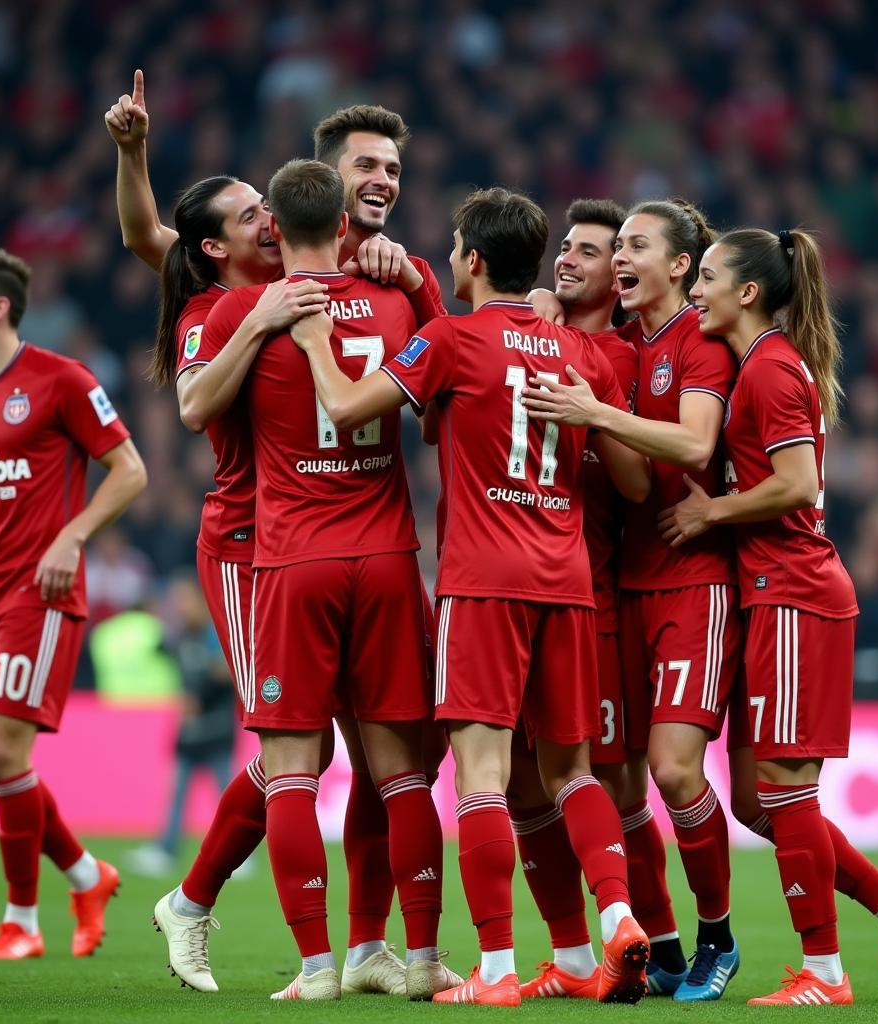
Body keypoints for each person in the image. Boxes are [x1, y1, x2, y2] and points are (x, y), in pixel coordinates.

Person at [106, 75, 442, 994]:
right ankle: (198, 900)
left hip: (338, 538)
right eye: (367, 166)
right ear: (325, 184)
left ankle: (366, 947)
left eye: (393, 168)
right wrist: (133, 152)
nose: (383, 181)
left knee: (385, 759)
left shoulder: (383, 271)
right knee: (309, 753)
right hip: (255, 537)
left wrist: (409, 273)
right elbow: (146, 240)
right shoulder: (235, 285)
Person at [292, 186, 653, 1006]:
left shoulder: (448, 340)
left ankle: (493, 970)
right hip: (567, 584)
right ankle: (617, 914)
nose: (449, 260)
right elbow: (632, 482)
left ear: (476, 262)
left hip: (483, 582)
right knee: (572, 773)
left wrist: (316, 340)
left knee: (482, 778)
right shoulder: (581, 353)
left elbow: (346, 408)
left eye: (455, 249)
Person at [658, 227, 878, 1005]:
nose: (695, 292)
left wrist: (713, 511)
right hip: (770, 594)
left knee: (785, 790)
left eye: (707, 277)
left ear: (747, 293)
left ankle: (823, 972)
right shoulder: (763, 364)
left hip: (795, 592)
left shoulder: (773, 370)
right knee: (758, 799)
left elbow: (797, 482)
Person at [225, 158, 453, 1001]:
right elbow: (440, 404)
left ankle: (317, 966)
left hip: (294, 556)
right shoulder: (396, 304)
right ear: (346, 221)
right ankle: (423, 957)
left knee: (291, 767)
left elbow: (199, 411)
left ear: (274, 229)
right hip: (389, 556)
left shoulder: (248, 310)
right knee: (402, 773)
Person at [521, 198, 742, 1001]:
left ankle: (719, 936)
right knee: (617, 788)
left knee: (675, 771)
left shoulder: (701, 341)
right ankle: (667, 946)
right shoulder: (616, 345)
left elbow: (690, 446)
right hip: (615, 589)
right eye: (600, 250)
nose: (613, 260)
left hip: (690, 577)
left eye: (630, 246)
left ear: (679, 265)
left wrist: (594, 410)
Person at [0, 246, 147, 958]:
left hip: (41, 594)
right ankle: (88, 873)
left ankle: (22, 923)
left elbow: (130, 470)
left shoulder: (61, 380)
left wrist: (73, 537)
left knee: (1, 750)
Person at [505, 198, 641, 999]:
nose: (571, 260)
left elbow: (635, 484)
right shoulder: (532, 330)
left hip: (582, 589)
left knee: (599, 778)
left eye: (590, 252)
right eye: (568, 248)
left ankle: (641, 932)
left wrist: (594, 413)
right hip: (513, 581)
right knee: (523, 781)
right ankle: (576, 955)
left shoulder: (615, 357)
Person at [127, 577, 238, 877]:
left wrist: (199, 696)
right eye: (176, 602)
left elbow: (227, 672)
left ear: (202, 603)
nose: (180, 608)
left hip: (217, 732)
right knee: (176, 796)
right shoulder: (180, 638)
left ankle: (238, 856)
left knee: (230, 799)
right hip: (188, 734)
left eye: (185, 600)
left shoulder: (216, 635)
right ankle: (166, 850)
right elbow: (159, 649)